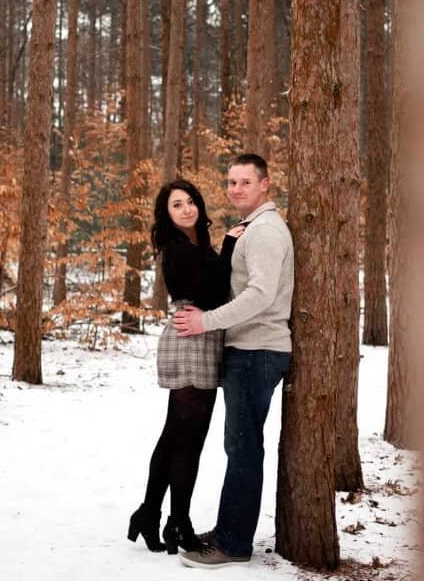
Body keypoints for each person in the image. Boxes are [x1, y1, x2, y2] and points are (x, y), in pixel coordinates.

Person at [172, 153, 294, 569]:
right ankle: (231, 529)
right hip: (249, 349)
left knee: (243, 448)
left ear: (265, 185)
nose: (236, 189)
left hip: (257, 349)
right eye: (231, 182)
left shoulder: (264, 232)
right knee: (240, 445)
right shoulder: (253, 230)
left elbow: (260, 295)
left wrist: (207, 321)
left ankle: (234, 543)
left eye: (245, 182)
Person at [128, 179, 245, 555]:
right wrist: (229, 245)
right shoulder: (176, 249)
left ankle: (149, 513)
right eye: (176, 205)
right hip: (189, 340)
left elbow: (213, 289)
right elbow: (211, 293)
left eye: (190, 201)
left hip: (203, 339)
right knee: (188, 442)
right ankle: (179, 522)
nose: (186, 209)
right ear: (167, 214)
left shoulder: (199, 246)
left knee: (175, 436)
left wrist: (220, 248)